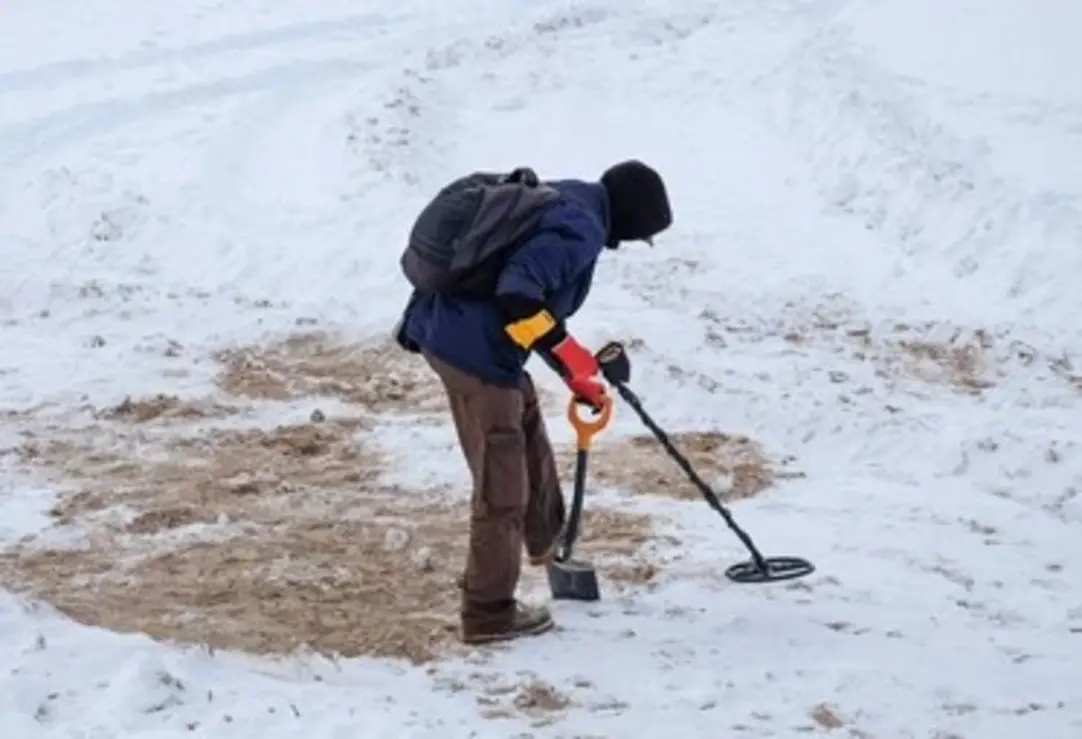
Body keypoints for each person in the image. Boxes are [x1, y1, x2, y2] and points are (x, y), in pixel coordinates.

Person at [396, 160, 673, 644]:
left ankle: (549, 546)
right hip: (469, 348)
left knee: (522, 414)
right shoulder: (582, 228)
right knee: (501, 483)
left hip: (455, 332)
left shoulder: (569, 198)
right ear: (631, 221)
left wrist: (572, 369)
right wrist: (572, 357)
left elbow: (526, 302)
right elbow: (518, 294)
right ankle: (488, 612)